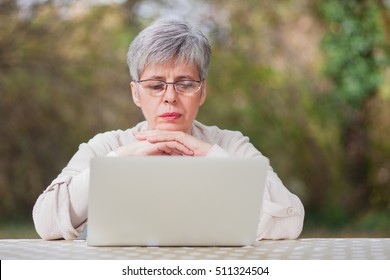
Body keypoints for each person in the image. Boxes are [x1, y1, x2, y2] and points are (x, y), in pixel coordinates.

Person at [32, 18, 304, 241]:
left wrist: (213, 158)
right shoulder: (106, 146)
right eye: (155, 85)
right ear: (136, 93)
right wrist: (120, 160)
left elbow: (291, 220)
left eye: (185, 84)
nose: (170, 97)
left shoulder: (229, 145)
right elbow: (46, 222)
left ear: (202, 92)